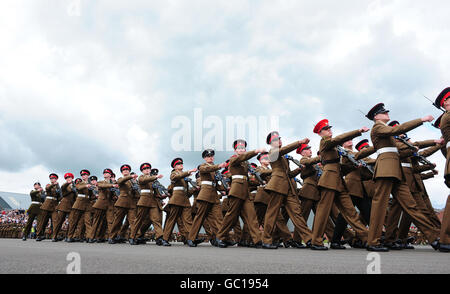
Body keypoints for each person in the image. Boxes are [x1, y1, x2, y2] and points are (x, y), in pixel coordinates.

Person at [366, 103, 440, 251]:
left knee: (411, 206)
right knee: (380, 206)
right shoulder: (378, 127)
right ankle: (373, 242)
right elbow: (399, 129)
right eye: (383, 112)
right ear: (376, 117)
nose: (387, 113)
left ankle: (435, 238)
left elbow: (404, 147)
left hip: (396, 172)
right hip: (385, 170)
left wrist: (433, 143)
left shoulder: (389, 135)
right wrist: (421, 120)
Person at [310, 120, 370, 250]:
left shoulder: (334, 147)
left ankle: (368, 238)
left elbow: (339, 166)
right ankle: (316, 241)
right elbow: (339, 139)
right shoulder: (325, 143)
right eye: (326, 129)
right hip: (329, 180)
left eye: (329, 128)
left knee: (351, 212)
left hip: (338, 181)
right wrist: (357, 132)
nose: (329, 130)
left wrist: (352, 166)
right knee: (323, 211)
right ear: (320, 133)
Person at [216, 140, 265, 248]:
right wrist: (255, 151)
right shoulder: (234, 159)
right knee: (231, 216)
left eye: (243, 148)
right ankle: (220, 237)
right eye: (239, 148)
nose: (241, 150)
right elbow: (242, 158)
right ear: (235, 150)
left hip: (245, 191)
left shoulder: (246, 163)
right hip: (236, 190)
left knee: (252, 216)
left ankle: (257, 240)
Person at [188, 149, 227, 247]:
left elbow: (216, 184)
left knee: (219, 218)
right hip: (205, 195)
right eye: (208, 156)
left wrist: (226, 188)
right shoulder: (203, 166)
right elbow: (205, 170)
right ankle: (191, 238)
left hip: (214, 196)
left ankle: (220, 239)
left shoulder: (215, 170)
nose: (210, 157)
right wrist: (218, 166)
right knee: (199, 218)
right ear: (204, 158)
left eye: (212, 156)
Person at [161, 158, 197, 246]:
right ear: (175, 166)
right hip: (176, 200)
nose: (181, 164)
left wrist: (194, 189)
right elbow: (175, 177)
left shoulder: (184, 176)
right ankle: (165, 239)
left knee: (188, 220)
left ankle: (190, 239)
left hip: (185, 200)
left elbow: (187, 192)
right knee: (172, 220)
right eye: (179, 164)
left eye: (182, 163)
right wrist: (188, 172)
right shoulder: (174, 173)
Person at [109, 165, 138, 244]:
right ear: (122, 172)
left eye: (127, 170)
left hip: (131, 203)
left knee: (133, 221)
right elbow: (120, 182)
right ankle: (112, 237)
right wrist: (130, 176)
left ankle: (133, 237)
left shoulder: (133, 182)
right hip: (122, 202)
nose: (125, 171)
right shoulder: (121, 179)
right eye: (124, 170)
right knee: (117, 221)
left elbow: (136, 194)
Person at [52, 173, 77, 242]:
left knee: (72, 222)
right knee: (59, 222)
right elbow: (63, 188)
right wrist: (67, 183)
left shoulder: (75, 185)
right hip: (64, 205)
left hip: (72, 205)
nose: (68, 179)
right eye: (67, 178)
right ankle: (54, 236)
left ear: (72, 178)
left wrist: (75, 190)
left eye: (69, 177)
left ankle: (69, 237)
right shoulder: (65, 186)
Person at [36, 174, 62, 241]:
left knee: (55, 222)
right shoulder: (48, 185)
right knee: (42, 221)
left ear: (56, 179)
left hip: (54, 206)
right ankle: (39, 235)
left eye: (53, 179)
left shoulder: (58, 187)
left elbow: (60, 197)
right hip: (46, 205)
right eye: (51, 179)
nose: (52, 180)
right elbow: (47, 188)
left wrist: (59, 190)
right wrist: (54, 185)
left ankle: (54, 236)